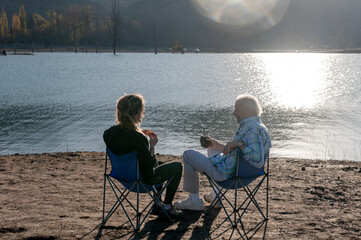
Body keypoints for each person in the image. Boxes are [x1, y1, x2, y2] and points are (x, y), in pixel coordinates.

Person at [174, 94, 272, 211]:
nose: (234, 113)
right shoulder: (258, 126)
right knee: (211, 148)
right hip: (244, 172)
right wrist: (217, 145)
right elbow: (240, 154)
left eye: (237, 109)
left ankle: (194, 200)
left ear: (247, 111)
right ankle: (216, 196)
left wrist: (239, 143)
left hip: (227, 175)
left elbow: (257, 159)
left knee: (188, 155)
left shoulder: (252, 130)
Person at [103, 94, 183, 218]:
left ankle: (157, 204)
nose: (143, 113)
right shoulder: (139, 138)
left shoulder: (108, 134)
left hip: (122, 178)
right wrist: (152, 145)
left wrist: (138, 132)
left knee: (162, 165)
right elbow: (151, 165)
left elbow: (124, 139)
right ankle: (167, 206)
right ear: (135, 114)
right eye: (142, 110)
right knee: (177, 166)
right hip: (141, 181)